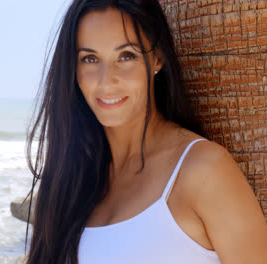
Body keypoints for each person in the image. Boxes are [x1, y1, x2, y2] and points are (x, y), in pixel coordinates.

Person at [22, 0, 267, 263]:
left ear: (157, 59)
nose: (106, 80)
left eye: (126, 56)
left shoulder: (203, 170)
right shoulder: (72, 181)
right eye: (90, 58)